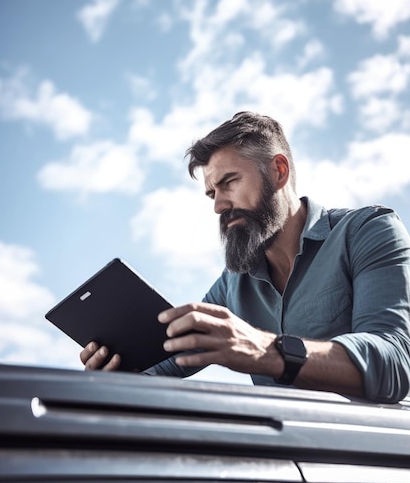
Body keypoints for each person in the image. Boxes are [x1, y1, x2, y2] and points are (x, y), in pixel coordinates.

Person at [81, 111, 410, 403]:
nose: (218, 206)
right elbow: (167, 364)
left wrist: (264, 350)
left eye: (229, 183)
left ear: (279, 171)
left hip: (375, 462)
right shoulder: (231, 285)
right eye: (212, 193)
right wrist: (119, 373)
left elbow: (393, 363)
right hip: (285, 464)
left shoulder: (368, 231)